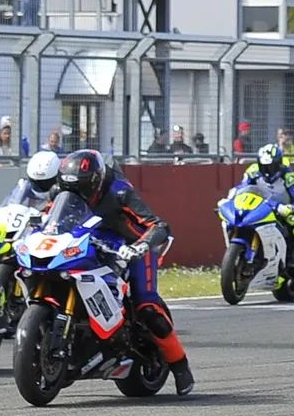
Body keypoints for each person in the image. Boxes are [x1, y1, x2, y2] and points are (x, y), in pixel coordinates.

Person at [56, 149, 194, 396]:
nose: (78, 194)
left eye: (83, 188)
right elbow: (52, 219)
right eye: (72, 189)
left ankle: (180, 365)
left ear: (96, 182)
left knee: (147, 307)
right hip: (91, 240)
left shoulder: (120, 192)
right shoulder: (67, 192)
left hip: (131, 244)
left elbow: (159, 225)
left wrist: (140, 246)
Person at [242, 143, 294, 270]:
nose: (267, 171)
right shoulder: (253, 172)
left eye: (271, 167)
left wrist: (291, 209)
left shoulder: (290, 177)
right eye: (264, 167)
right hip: (258, 207)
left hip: (280, 210)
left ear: (278, 164)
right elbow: (242, 187)